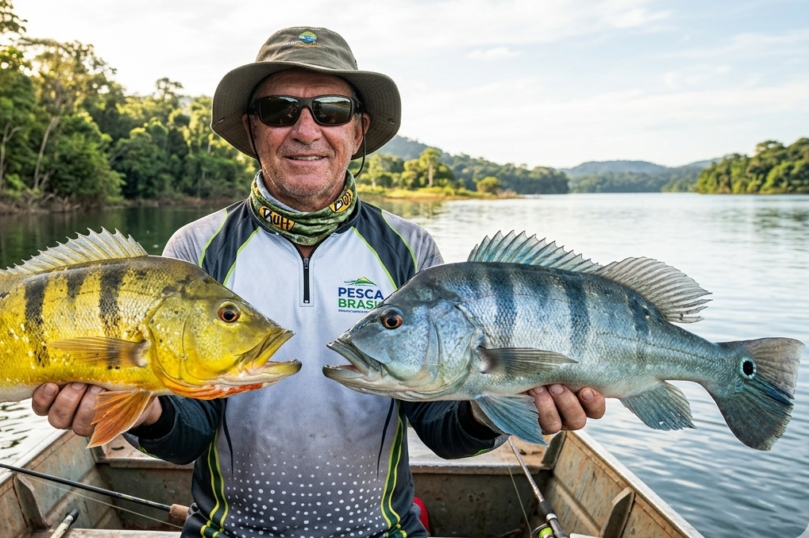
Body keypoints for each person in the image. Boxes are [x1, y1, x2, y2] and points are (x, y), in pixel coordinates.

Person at [32, 27, 605, 538]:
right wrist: (138, 411)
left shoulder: (410, 250)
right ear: (253, 130)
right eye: (280, 110)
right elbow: (188, 435)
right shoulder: (194, 250)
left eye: (330, 110)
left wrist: (499, 405)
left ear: (358, 131)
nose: (306, 129)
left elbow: (440, 428)